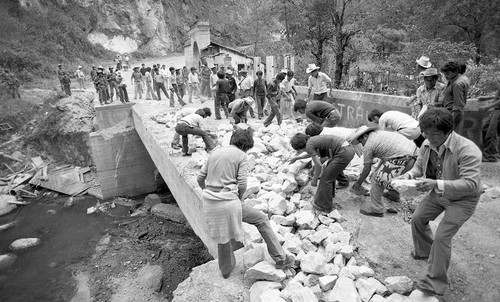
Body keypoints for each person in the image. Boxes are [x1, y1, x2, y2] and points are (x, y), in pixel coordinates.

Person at [396, 108, 482, 297]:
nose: (428, 138)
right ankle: (425, 252)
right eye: (425, 133)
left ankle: (435, 284)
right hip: (438, 193)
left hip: (463, 200)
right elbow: (419, 167)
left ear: (448, 131)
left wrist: (435, 183)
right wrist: (408, 177)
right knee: (417, 218)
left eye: (433, 134)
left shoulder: (468, 150)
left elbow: (471, 184)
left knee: (442, 238)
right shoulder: (427, 143)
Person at [197, 128, 295, 278]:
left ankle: (226, 270)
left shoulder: (214, 152)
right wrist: (240, 198)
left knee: (223, 236)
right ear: (245, 146)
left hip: (210, 203)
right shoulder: (241, 156)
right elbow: (242, 183)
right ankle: (281, 258)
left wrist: (208, 193)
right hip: (229, 202)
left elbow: (200, 178)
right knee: (261, 219)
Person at [349, 126, 417, 216]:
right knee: (389, 177)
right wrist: (377, 170)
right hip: (413, 156)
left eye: (361, 141)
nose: (362, 144)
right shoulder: (380, 134)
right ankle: (393, 195)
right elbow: (386, 157)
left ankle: (376, 209)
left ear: (365, 136)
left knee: (376, 179)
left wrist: (358, 183)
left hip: (401, 159)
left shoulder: (368, 145)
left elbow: (366, 169)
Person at [290, 133, 354, 213]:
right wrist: (297, 158)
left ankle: (324, 206)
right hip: (348, 149)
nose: (299, 152)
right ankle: (343, 182)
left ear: (299, 147)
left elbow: (319, 165)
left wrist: (315, 179)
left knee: (325, 179)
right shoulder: (312, 140)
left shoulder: (309, 146)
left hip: (343, 153)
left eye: (298, 150)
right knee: (332, 168)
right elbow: (311, 154)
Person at [437, 62, 469, 133]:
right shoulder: (452, 81)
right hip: (448, 112)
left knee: (451, 137)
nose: (446, 76)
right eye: (445, 74)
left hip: (453, 114)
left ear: (456, 71)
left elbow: (458, 106)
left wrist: (451, 122)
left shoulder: (457, 84)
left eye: (448, 73)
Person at [478, 89, 500, 162]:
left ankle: (492, 156)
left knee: (492, 133)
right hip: (496, 110)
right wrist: (487, 98)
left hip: (498, 111)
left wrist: (487, 107)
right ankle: (488, 153)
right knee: (485, 129)